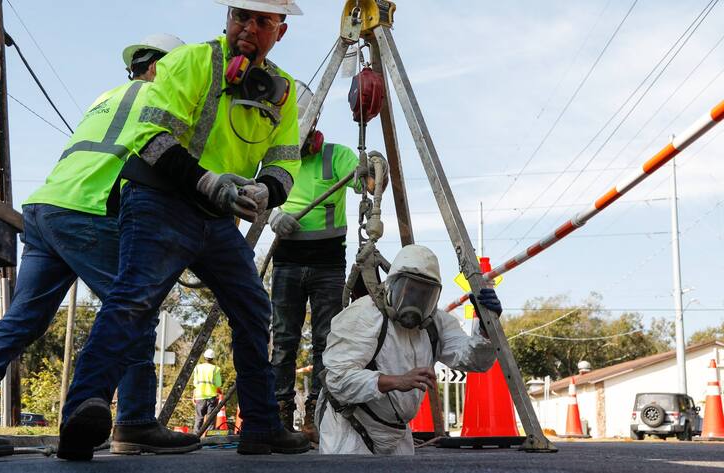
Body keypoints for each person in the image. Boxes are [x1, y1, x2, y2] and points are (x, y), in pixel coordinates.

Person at [58, 0, 309, 460]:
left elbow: (284, 159)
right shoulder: (190, 62)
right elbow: (151, 138)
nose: (248, 28)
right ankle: (83, 412)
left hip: (216, 217)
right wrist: (207, 182)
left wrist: (266, 192)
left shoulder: (282, 91)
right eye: (240, 16)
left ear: (281, 31)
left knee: (253, 309)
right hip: (160, 199)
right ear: (227, 19)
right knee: (133, 299)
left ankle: (261, 427)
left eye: (262, 21)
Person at [0, 34, 201, 456]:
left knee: (20, 322)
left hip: (46, 208)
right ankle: (136, 422)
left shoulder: (106, 98)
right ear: (160, 68)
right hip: (89, 210)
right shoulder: (164, 102)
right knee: (134, 311)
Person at [268, 80, 382, 443]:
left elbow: (370, 184)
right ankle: (280, 414)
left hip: (327, 264)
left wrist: (373, 167)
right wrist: (272, 216)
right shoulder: (276, 159)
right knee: (283, 340)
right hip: (287, 259)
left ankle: (317, 413)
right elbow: (257, 197)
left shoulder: (337, 156)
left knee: (326, 340)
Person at [317, 245, 500, 455]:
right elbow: (338, 380)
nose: (415, 300)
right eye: (410, 289)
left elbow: (474, 361)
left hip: (397, 434)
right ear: (391, 285)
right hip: (350, 430)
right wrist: (396, 381)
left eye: (424, 293)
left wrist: (486, 329)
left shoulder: (435, 323)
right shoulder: (364, 315)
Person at [193, 349, 223, 433]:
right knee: (210, 419)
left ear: (204, 357)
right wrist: (219, 391)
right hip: (211, 397)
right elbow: (218, 384)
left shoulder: (197, 368)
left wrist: (194, 395)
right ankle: (209, 437)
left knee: (199, 418)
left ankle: (195, 437)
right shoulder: (216, 369)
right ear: (213, 358)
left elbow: (195, 383)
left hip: (200, 396)